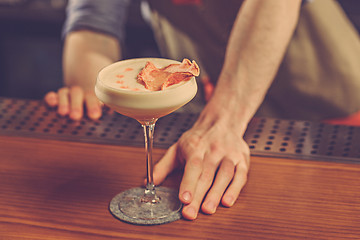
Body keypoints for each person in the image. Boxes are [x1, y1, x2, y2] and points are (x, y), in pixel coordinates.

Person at [44, 0, 360, 220]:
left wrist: (224, 121)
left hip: (326, 115)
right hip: (212, 111)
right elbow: (94, 26)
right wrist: (91, 91)